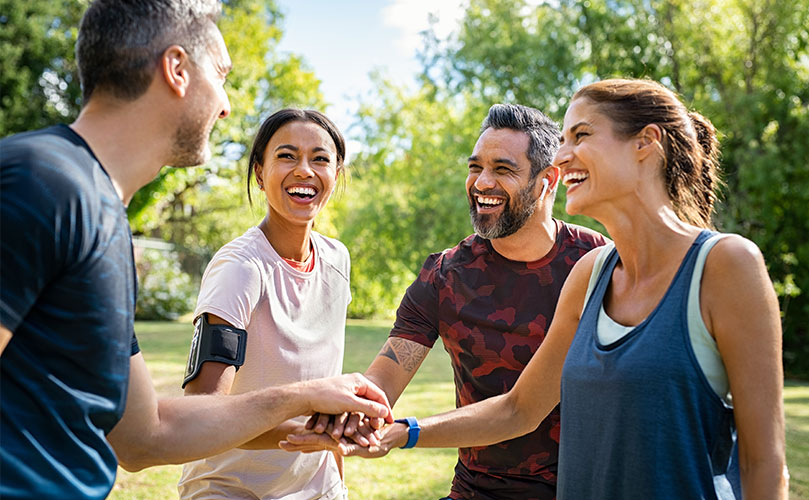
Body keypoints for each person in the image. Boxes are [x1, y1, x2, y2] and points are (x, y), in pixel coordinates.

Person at [294, 79, 789, 499]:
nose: (567, 151)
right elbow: (518, 409)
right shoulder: (586, 275)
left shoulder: (718, 265)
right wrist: (363, 421)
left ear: (645, 144)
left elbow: (764, 461)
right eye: (475, 167)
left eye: (582, 135)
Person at [0, 3, 391, 500]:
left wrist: (308, 400)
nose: (226, 105)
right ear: (177, 69)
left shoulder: (103, 218)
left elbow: (145, 437)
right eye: (222, 75)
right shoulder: (41, 183)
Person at [288, 103, 607, 499]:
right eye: (475, 167)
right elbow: (382, 382)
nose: (482, 183)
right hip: (478, 492)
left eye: (502, 169)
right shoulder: (445, 276)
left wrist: (405, 433)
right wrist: (347, 417)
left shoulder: (600, 263)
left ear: (547, 180)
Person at [176, 109, 354, 500]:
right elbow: (203, 415)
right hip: (229, 489)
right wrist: (312, 431)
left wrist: (336, 478)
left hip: (318, 488)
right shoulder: (239, 269)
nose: (304, 170)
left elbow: (328, 379)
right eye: (287, 156)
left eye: (320, 159)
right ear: (260, 173)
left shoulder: (337, 260)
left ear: (336, 175)